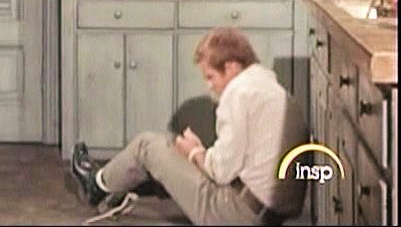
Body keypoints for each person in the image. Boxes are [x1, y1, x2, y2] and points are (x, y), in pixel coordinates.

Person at [71, 27, 308, 225]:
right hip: (270, 213)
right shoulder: (272, 88)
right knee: (175, 153)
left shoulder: (237, 93)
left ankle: (97, 185)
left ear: (231, 67)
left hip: (238, 214)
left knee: (148, 145)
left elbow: (221, 172)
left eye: (210, 77)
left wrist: (194, 152)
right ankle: (122, 184)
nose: (209, 86)